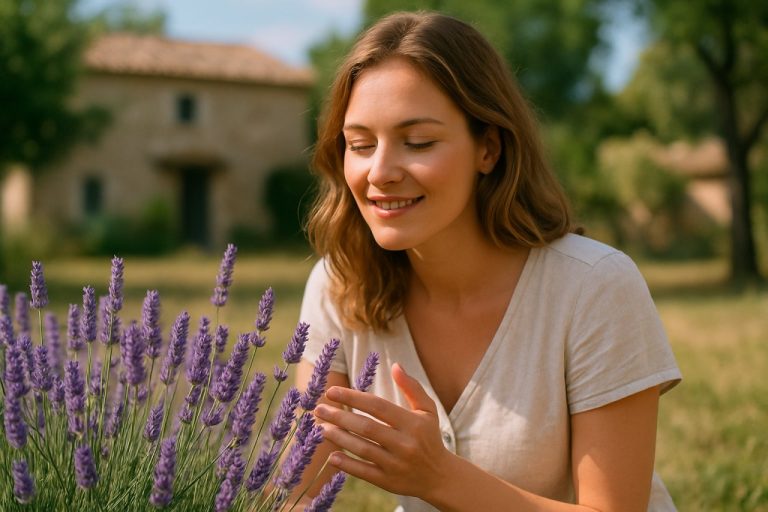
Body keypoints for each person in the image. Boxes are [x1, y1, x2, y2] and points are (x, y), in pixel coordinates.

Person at [294, 10, 682, 512]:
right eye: (361, 145)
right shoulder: (338, 285)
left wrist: (440, 477)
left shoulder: (595, 287)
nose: (380, 172)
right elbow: (296, 492)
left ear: (489, 148)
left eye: (419, 143)